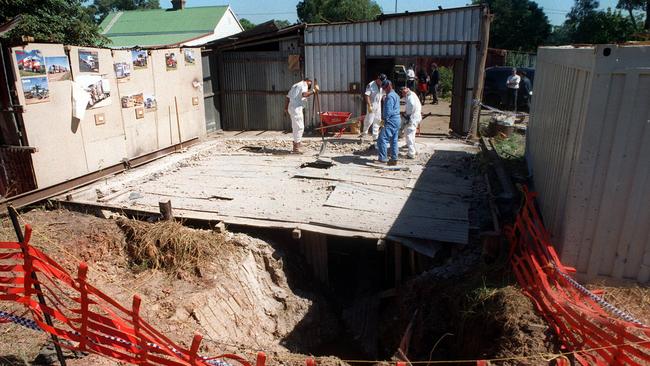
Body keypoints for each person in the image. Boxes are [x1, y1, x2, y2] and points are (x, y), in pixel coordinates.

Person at [285, 78, 318, 153]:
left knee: (295, 127)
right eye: (310, 83)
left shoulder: (295, 85)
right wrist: (313, 91)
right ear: (308, 81)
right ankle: (296, 147)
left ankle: (297, 144)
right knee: (300, 127)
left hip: (292, 107)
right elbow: (304, 94)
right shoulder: (304, 84)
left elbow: (287, 97)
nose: (310, 85)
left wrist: (286, 108)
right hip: (296, 108)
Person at [376, 80, 401, 166]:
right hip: (397, 120)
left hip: (391, 120)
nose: (384, 90)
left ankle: (383, 158)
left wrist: (383, 122)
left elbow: (388, 111)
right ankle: (394, 159)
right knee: (394, 140)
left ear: (389, 86)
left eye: (384, 88)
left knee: (382, 139)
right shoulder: (396, 95)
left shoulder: (389, 97)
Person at [400, 86, 422, 159]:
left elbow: (411, 105)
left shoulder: (410, 97)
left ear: (404, 92)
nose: (402, 95)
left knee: (409, 134)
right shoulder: (412, 94)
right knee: (411, 134)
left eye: (402, 93)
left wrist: (406, 114)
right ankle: (413, 149)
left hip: (412, 118)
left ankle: (411, 153)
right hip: (416, 116)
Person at [363, 73, 386, 140]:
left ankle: (375, 136)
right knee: (369, 120)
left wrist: (385, 99)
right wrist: (369, 105)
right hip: (372, 105)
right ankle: (364, 133)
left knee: (378, 120)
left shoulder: (382, 85)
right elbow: (366, 95)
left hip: (378, 105)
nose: (382, 82)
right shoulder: (371, 85)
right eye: (381, 81)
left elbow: (383, 94)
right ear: (378, 79)